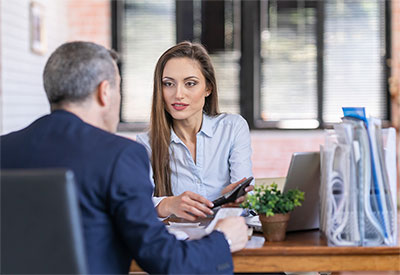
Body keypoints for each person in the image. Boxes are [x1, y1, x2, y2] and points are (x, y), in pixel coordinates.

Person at [0, 41, 248, 274]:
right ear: (104, 92)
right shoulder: (120, 155)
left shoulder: (4, 149)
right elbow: (164, 259)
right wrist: (223, 239)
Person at [136, 41, 254, 221]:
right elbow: (137, 207)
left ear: (208, 88)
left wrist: (240, 200)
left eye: (190, 83)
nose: (178, 94)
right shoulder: (146, 144)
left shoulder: (232, 128)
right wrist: (168, 204)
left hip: (226, 233)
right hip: (177, 242)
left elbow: (245, 196)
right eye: (168, 84)